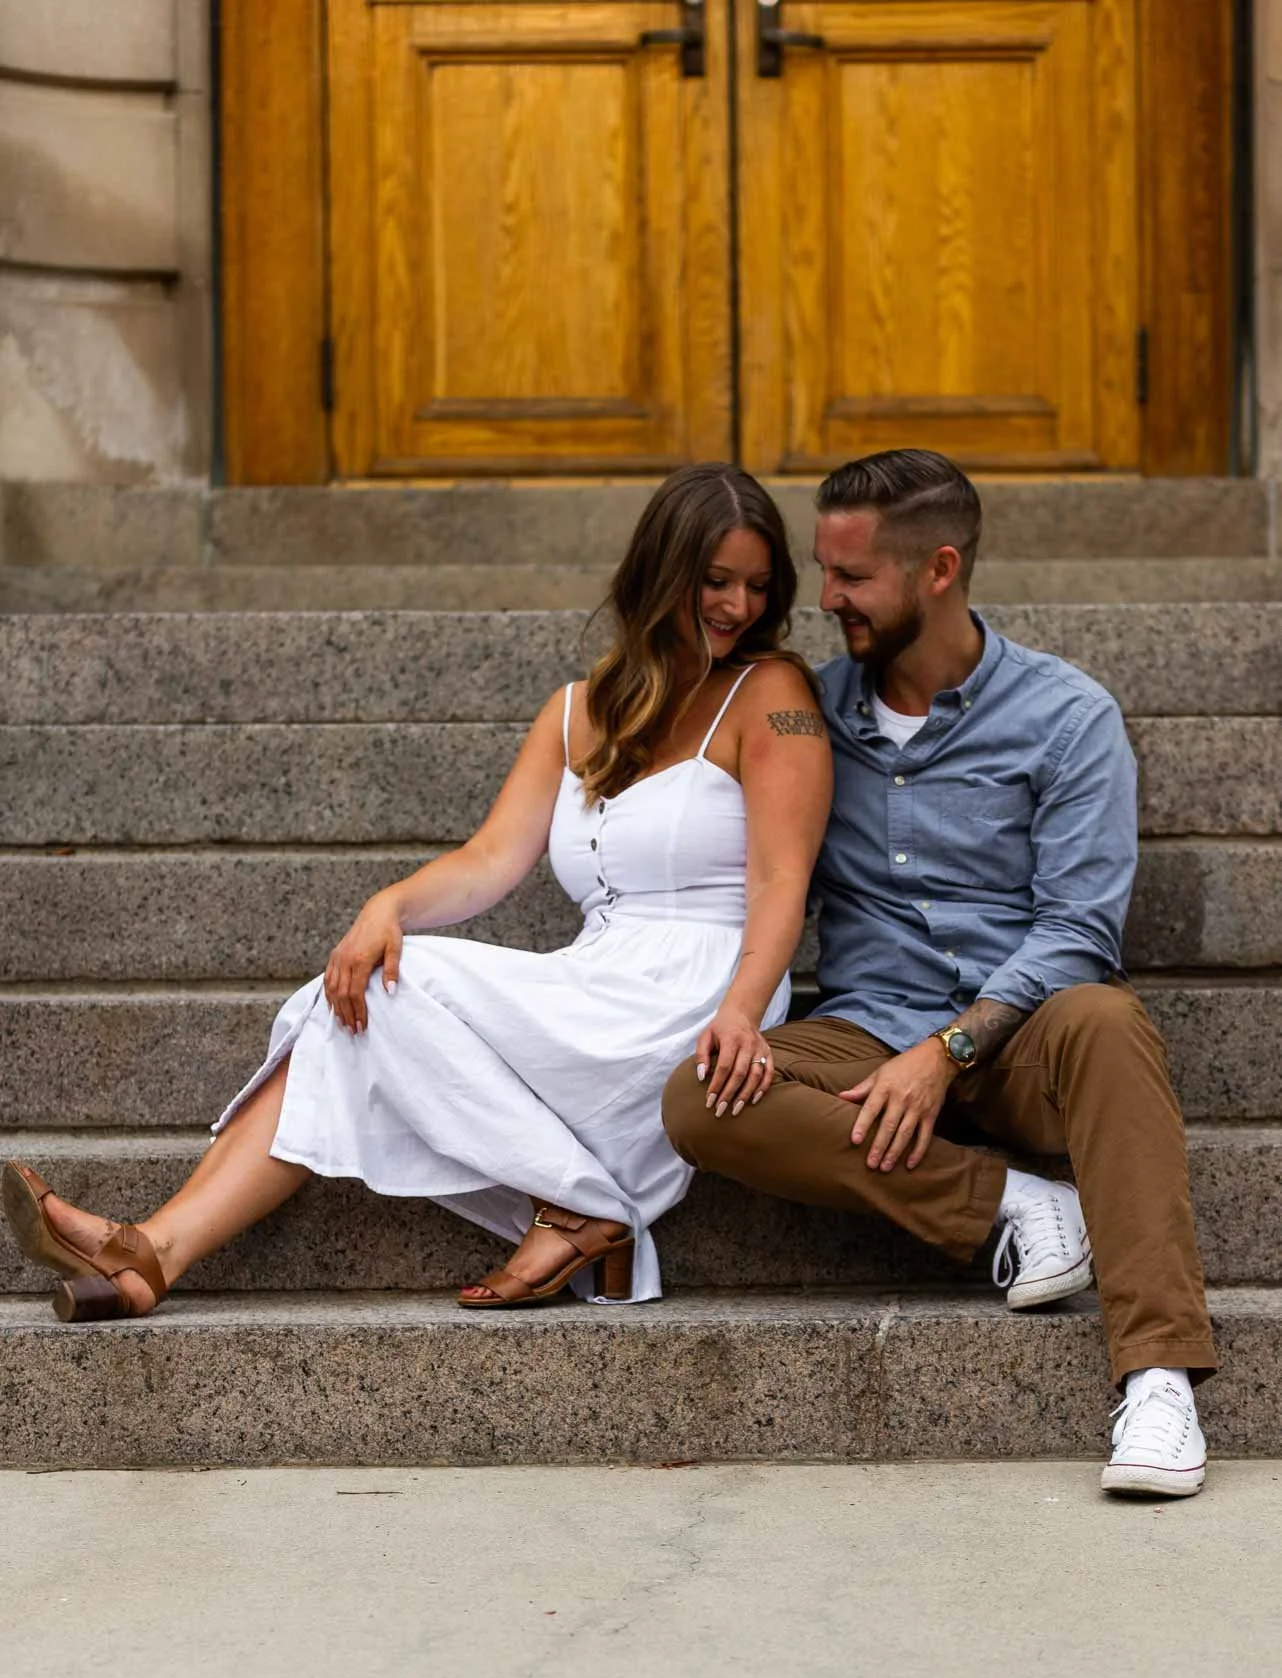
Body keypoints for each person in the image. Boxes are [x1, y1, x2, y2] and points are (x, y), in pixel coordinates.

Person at [3, 465, 832, 1319]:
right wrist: (386, 906)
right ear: (661, 573)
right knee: (364, 989)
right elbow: (490, 858)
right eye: (716, 581)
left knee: (387, 991)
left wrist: (741, 1007)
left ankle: (161, 1248)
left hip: (701, 995)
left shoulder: (770, 697)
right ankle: (155, 1255)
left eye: (758, 587)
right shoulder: (579, 710)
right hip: (599, 977)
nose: (736, 606)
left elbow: (782, 877)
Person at [663, 449, 1218, 1498]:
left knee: (1106, 1018)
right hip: (864, 1035)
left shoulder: (1066, 717)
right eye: (821, 572)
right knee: (700, 1096)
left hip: (1019, 1038)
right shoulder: (806, 712)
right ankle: (1015, 1202)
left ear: (939, 570)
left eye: (850, 578)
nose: (821, 600)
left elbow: (1079, 928)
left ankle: (1156, 1379)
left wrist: (951, 1047)